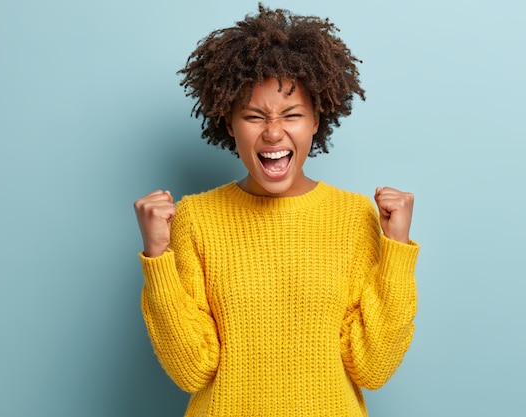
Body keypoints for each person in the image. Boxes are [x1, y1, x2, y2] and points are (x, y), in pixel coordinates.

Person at [134, 4, 419, 416]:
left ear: (317, 119)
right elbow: (192, 371)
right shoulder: (195, 218)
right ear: (228, 123)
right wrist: (158, 257)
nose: (272, 132)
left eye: (292, 114)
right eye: (253, 116)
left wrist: (396, 250)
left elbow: (372, 368)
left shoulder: (355, 216)